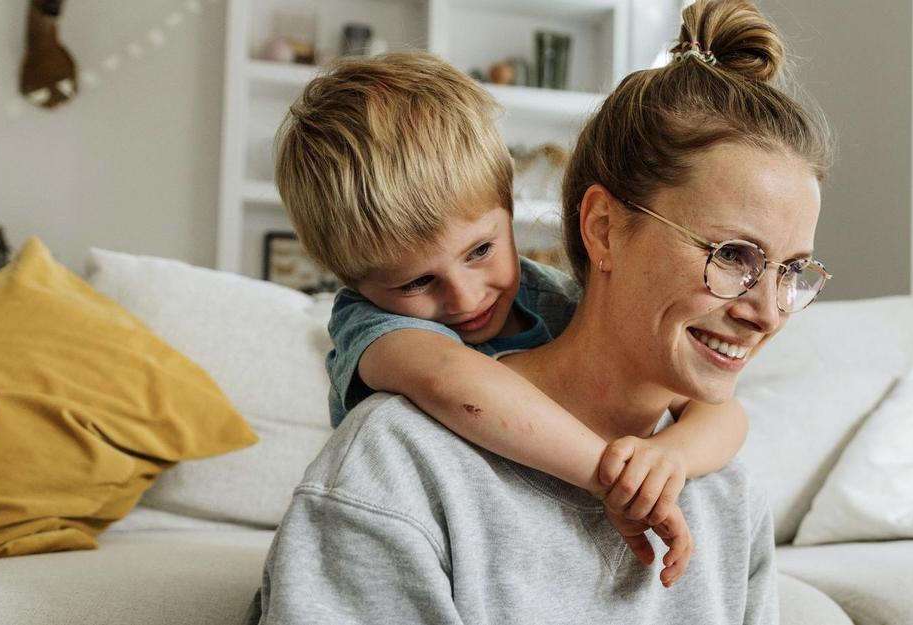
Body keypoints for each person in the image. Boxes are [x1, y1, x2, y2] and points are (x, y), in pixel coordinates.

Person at [249, 0, 829, 621]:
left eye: (792, 270)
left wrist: (669, 462)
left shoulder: (726, 493)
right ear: (603, 230)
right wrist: (612, 479)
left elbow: (724, 416)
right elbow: (450, 380)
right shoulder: (398, 453)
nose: (769, 313)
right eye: (733, 254)